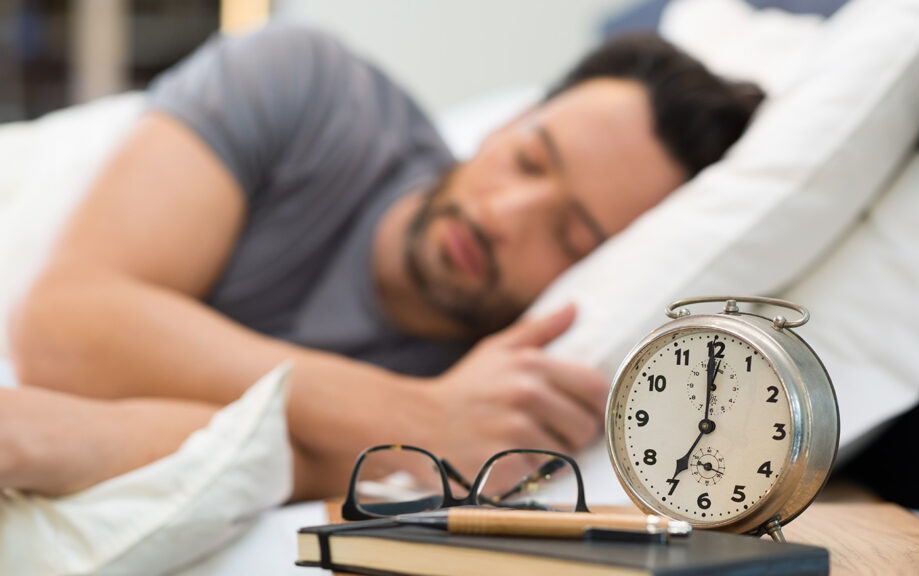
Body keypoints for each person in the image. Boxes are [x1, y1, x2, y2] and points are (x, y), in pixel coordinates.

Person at [1, 25, 763, 501]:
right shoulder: (306, 85)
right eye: (530, 159)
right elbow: (66, 328)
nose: (502, 217)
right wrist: (411, 418)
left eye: (570, 237)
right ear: (508, 122)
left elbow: (264, 460)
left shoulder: (495, 389)